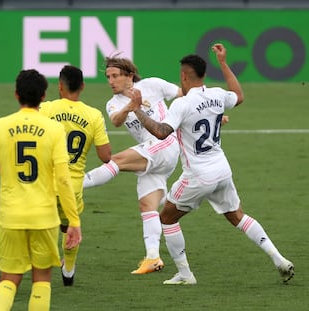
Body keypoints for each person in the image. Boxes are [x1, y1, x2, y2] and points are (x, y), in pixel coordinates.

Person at [126, 43, 295, 285]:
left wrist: (137, 111)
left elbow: (162, 132)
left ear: (184, 75)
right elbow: (239, 96)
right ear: (204, 75)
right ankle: (279, 259)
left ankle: (185, 275)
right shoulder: (216, 94)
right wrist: (224, 63)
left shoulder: (182, 104)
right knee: (237, 216)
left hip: (197, 175)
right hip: (221, 169)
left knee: (166, 219)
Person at [0, 69, 82, 310]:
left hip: (10, 217)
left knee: (9, 280)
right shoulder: (54, 129)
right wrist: (73, 219)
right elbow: (63, 179)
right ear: (43, 97)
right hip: (45, 218)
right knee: (41, 280)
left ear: (16, 94)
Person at [82, 55, 182, 274]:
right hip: (154, 157)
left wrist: (212, 116)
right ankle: (153, 257)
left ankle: (73, 186)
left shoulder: (152, 85)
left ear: (129, 75)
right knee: (148, 206)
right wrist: (130, 107)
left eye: (115, 76)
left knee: (115, 160)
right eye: (108, 77)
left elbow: (184, 95)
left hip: (165, 144)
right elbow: (117, 121)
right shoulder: (113, 103)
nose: (111, 81)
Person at [40, 65, 111, 285]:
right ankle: (68, 270)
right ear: (82, 86)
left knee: (42, 224)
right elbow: (106, 156)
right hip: (73, 186)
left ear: (59, 86)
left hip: (45, 182)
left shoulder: (45, 109)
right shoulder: (94, 115)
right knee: (69, 225)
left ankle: (33, 269)